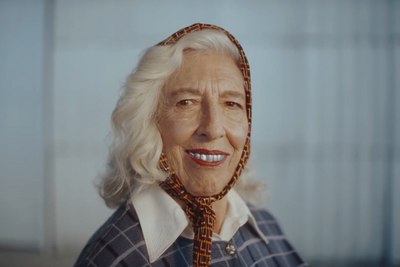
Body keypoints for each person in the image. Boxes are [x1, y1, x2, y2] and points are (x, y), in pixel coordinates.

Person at [74, 23, 307, 267]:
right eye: (186, 102)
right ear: (150, 121)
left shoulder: (268, 228)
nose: (213, 128)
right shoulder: (113, 258)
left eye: (231, 104)